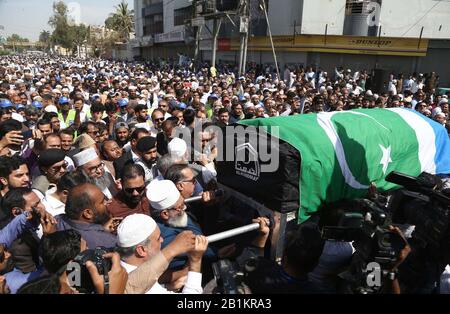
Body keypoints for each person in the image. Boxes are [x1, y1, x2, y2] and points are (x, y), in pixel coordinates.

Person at [116, 214, 207, 294]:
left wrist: (166, 286)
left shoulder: (117, 270)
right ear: (142, 250)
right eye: (158, 238)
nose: (162, 240)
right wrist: (195, 261)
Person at [147, 180, 216, 270]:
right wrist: (217, 253)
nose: (184, 208)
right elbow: (195, 248)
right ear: (165, 214)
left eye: (183, 204)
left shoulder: (176, 215)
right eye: (180, 207)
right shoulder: (163, 237)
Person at [55, 183, 117, 249]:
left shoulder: (55, 221)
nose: (106, 203)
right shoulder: (108, 242)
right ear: (88, 213)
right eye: (102, 202)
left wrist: (102, 230)